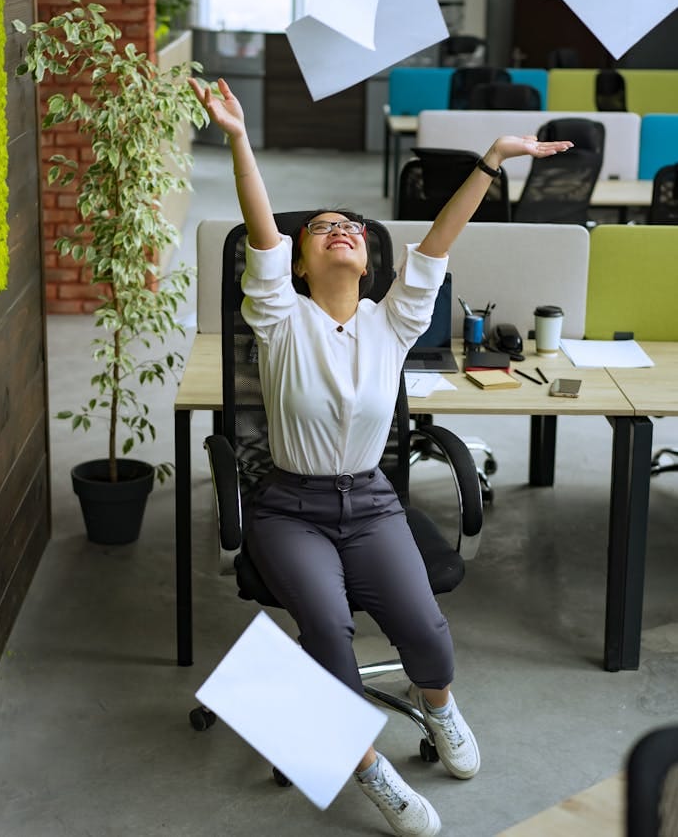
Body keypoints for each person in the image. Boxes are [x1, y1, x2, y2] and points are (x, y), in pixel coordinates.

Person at [190, 76, 572, 837]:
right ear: (296, 262)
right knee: (326, 630)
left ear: (369, 263)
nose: (341, 230)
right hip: (290, 508)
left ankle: (440, 711)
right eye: (322, 227)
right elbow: (258, 227)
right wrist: (238, 137)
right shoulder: (276, 315)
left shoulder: (392, 322)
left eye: (354, 229)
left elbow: (438, 240)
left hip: (369, 503)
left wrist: (493, 160)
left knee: (426, 631)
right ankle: (369, 768)